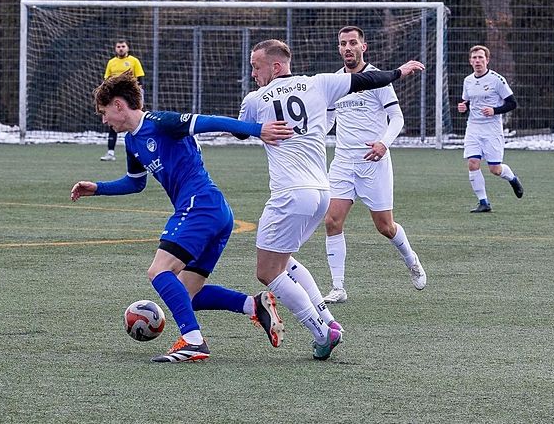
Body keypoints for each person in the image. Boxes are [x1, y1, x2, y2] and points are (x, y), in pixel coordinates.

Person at [70, 72, 284, 363]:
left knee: (159, 272)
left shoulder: (162, 122)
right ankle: (253, 305)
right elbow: (136, 182)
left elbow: (209, 121)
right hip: (215, 212)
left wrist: (257, 129)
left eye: (105, 113)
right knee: (186, 293)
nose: (105, 120)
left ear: (119, 105)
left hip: (200, 205)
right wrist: (98, 189)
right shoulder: (133, 143)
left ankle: (193, 341)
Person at [237, 39, 424, 360]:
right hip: (321, 193)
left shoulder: (255, 98)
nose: (253, 73)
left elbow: (240, 131)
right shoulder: (319, 83)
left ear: (276, 66)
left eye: (256, 66)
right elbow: (366, 80)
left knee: (268, 272)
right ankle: (328, 318)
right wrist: (398, 72)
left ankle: (321, 332)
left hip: (289, 195)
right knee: (285, 260)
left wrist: (256, 128)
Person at [321, 26, 427, 304]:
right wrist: (313, 134)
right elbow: (329, 120)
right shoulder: (334, 82)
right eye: (343, 43)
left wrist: (383, 143)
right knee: (332, 221)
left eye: (352, 42)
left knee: (385, 227)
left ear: (363, 47)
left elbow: (398, 118)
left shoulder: (378, 78)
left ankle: (411, 259)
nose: (347, 47)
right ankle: (338, 287)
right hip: (343, 162)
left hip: (374, 163)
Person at [458, 45, 523, 213]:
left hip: (492, 129)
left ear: (487, 60)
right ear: (470, 61)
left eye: (481, 57)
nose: (478, 61)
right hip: (473, 128)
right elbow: (466, 101)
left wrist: (494, 110)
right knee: (472, 163)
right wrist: (463, 106)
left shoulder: (497, 80)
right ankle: (483, 202)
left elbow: (512, 103)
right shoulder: (468, 80)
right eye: (474, 58)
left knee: (495, 169)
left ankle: (513, 179)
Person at [100, 39, 144, 161]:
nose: (121, 48)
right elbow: (106, 81)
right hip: (115, 97)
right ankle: (110, 152)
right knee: (112, 122)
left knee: (135, 123)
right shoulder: (111, 63)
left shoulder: (134, 61)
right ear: (115, 48)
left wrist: (138, 97)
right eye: (118, 46)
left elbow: (140, 80)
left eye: (123, 46)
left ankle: (140, 152)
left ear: (127, 48)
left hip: (130, 97)